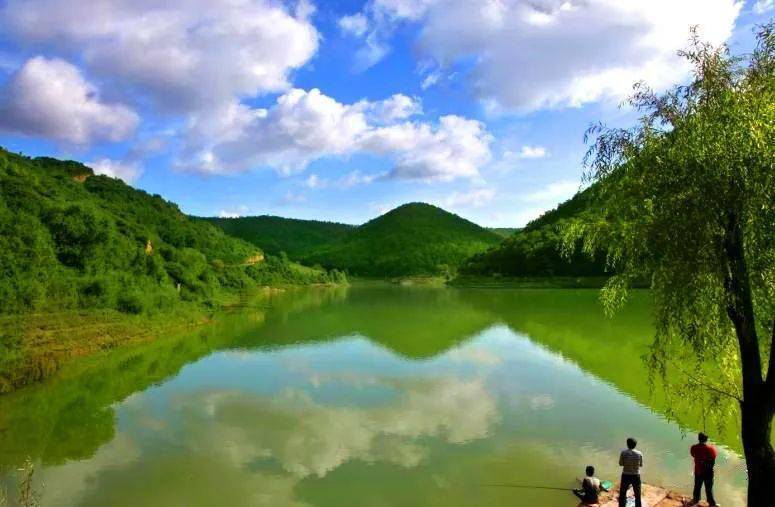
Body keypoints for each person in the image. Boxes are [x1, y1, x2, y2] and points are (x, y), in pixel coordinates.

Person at [690, 432, 718, 506]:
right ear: (706, 439)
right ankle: (712, 504)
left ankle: (695, 501)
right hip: (708, 472)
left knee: (697, 487)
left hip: (698, 471)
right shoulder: (711, 449)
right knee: (709, 490)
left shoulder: (694, 447)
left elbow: (693, 455)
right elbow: (713, 460)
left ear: (698, 439)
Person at [618, 437, 643, 507]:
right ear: (635, 445)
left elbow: (620, 464)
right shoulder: (639, 453)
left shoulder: (623, 453)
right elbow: (641, 465)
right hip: (636, 475)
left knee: (622, 493)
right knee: (637, 494)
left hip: (626, 475)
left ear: (627, 444)